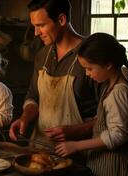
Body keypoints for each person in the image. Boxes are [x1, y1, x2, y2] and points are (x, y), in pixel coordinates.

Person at [51, 32, 128, 176]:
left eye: (89, 68)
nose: (87, 74)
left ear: (108, 64)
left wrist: (76, 146)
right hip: (104, 167)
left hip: (113, 170)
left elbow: (118, 135)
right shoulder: (111, 87)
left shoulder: (119, 92)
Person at [9, 0, 100, 152]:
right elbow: (33, 96)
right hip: (40, 148)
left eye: (41, 25)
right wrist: (25, 117)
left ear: (61, 20)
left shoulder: (91, 55)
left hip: (79, 152)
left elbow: (111, 115)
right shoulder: (42, 55)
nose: (36, 33)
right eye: (34, 26)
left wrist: (78, 130)